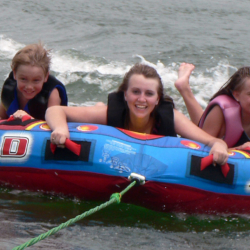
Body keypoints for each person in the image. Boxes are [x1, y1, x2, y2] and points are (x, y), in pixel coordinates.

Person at [45, 63, 228, 165]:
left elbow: (213, 140)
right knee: (97, 111)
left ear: (157, 99)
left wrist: (219, 146)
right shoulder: (111, 113)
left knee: (199, 126)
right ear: (125, 94)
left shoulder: (169, 117)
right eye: (135, 92)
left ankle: (184, 87)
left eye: (149, 94)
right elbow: (55, 110)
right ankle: (97, 104)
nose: (141, 99)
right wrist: (60, 128)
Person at [175, 63, 250, 148]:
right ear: (237, 95)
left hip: (213, 133)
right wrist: (240, 149)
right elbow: (203, 148)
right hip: (199, 145)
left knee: (202, 124)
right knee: (203, 131)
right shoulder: (223, 110)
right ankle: (185, 89)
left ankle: (184, 87)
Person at [0, 42, 68, 120]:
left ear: (46, 77)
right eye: (23, 79)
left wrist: (28, 119)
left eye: (36, 80)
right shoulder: (9, 89)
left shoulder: (52, 94)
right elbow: (2, 117)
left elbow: (56, 122)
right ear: (15, 74)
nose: (29, 87)